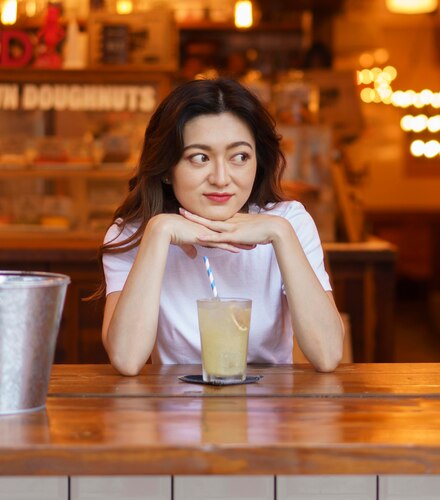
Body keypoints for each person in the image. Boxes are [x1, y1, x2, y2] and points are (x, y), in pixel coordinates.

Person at [97, 78, 344, 376]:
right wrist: (158, 232)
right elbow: (126, 358)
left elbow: (328, 354)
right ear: (166, 169)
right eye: (199, 158)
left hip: (272, 415)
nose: (221, 178)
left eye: (239, 156)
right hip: (174, 412)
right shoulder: (133, 235)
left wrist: (281, 234)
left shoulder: (289, 222)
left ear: (258, 162)